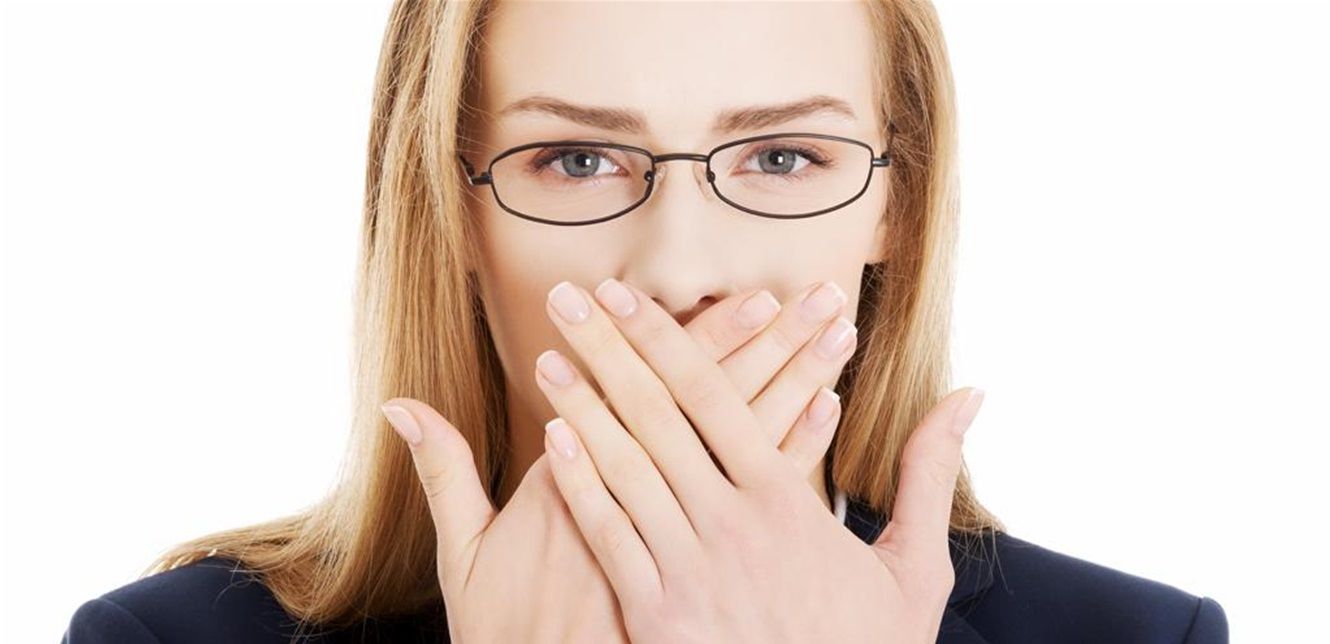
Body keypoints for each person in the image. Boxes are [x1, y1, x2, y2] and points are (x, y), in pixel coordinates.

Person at [61, 0, 1229, 642]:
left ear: (898, 202)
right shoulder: (160, 643)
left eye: (782, 156)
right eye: (576, 159)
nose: (678, 273)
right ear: (451, 209)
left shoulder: (1139, 638)